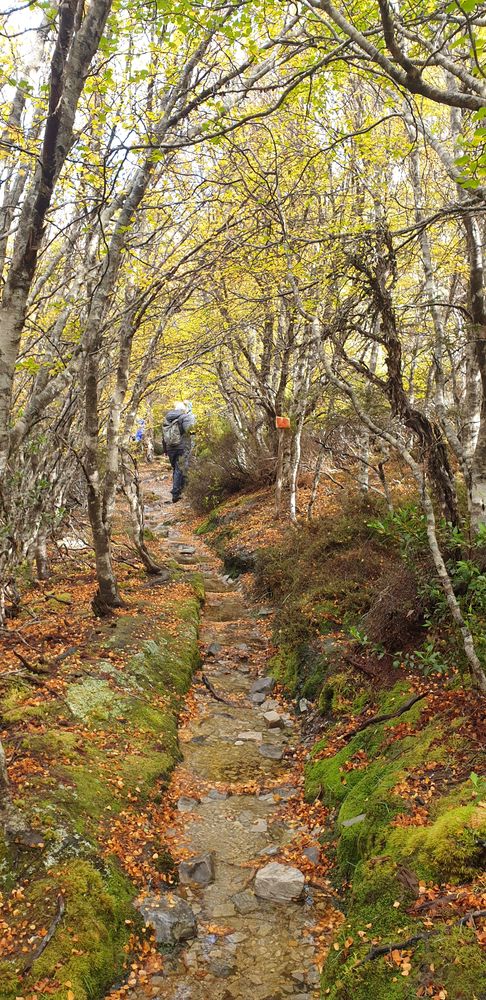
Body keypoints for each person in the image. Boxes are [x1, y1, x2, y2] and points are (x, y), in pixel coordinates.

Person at [162, 400, 196, 502]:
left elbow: (163, 435)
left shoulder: (167, 419)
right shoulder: (185, 417)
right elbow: (190, 431)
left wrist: (165, 449)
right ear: (183, 409)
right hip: (182, 446)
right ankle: (176, 494)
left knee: (176, 469)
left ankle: (178, 491)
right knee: (180, 468)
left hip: (170, 448)